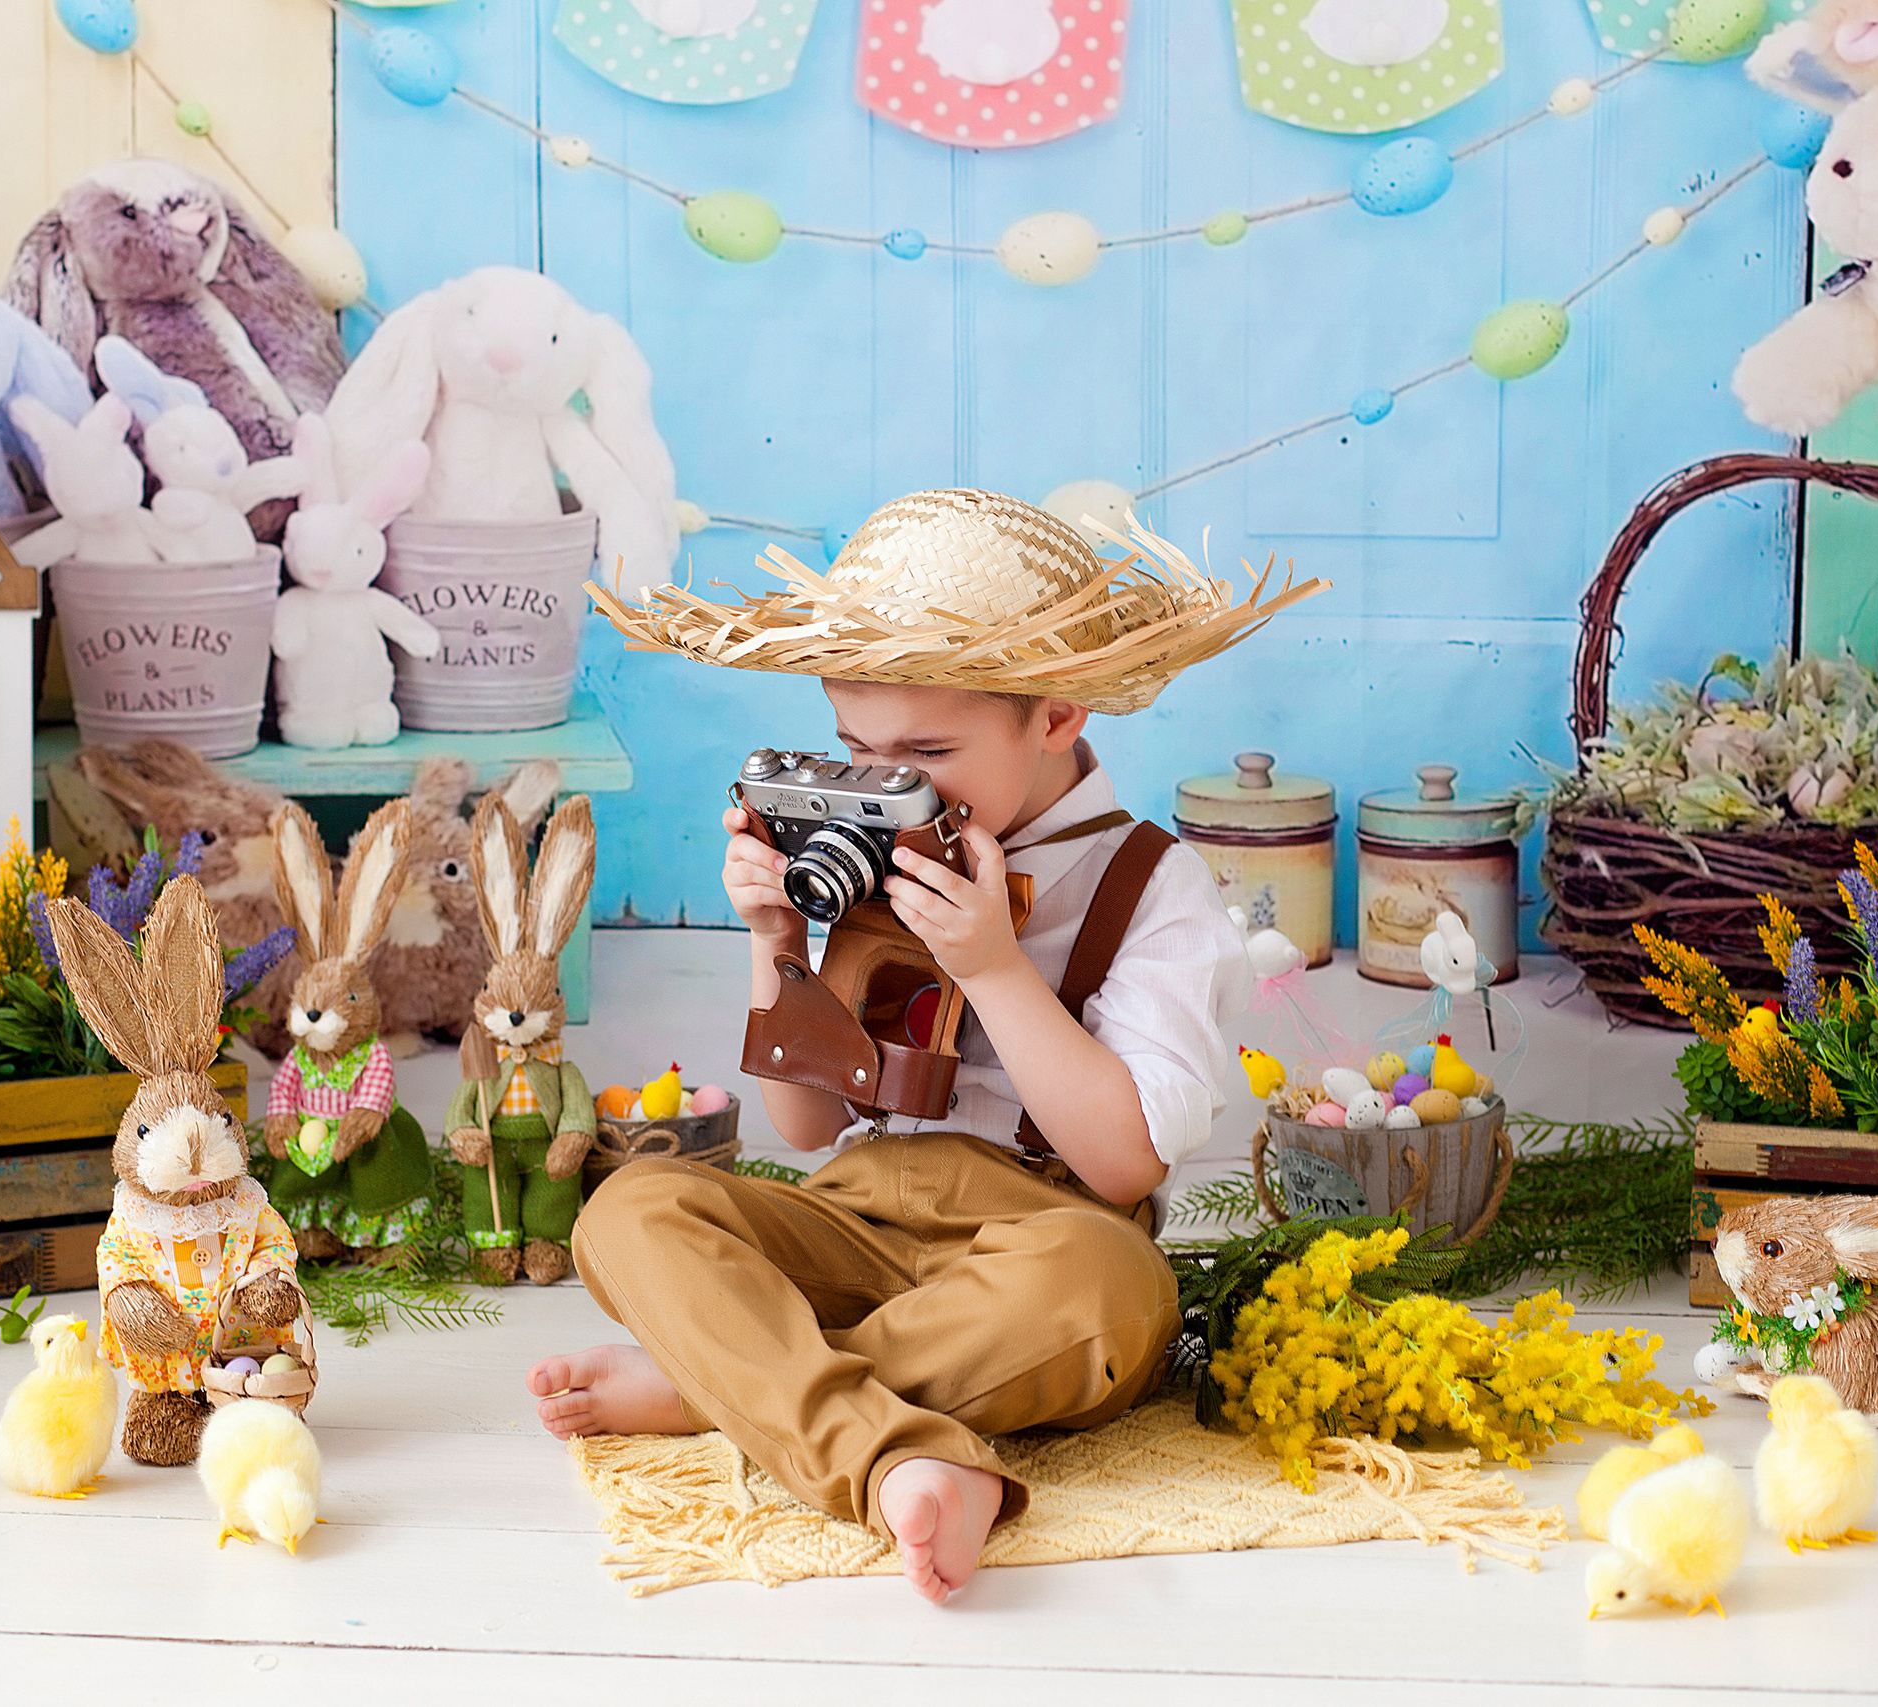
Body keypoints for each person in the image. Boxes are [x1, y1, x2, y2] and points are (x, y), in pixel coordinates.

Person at [530, 489, 1319, 1603]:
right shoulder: (876, 850)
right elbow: (803, 1128)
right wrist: (778, 943)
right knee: (631, 1209)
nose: (891, 786)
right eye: (858, 750)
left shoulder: (1153, 887)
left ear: (1055, 714)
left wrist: (996, 966)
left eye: (930, 751)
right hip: (855, 1218)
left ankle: (725, 1383)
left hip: (1043, 1236)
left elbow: (1126, 1165)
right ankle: (885, 1447)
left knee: (1115, 1290)